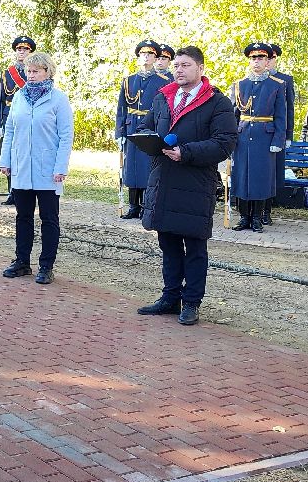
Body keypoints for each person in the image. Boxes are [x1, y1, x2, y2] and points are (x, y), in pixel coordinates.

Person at [138, 46, 238, 326]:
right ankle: (170, 297)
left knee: (194, 247)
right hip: (164, 180)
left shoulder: (216, 102)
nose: (179, 70)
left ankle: (191, 302)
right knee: (167, 242)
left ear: (200, 69)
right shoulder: (163, 97)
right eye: (176, 65)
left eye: (185, 65)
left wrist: (187, 152)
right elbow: (146, 127)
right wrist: (148, 141)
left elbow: (225, 142)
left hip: (195, 183)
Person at [0, 51, 73, 285]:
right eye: (28, 71)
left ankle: (46, 266)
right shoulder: (19, 97)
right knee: (23, 217)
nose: (30, 75)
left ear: (47, 72)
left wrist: (61, 167)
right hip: (22, 166)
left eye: (35, 71)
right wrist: (5, 160)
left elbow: (65, 136)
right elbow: (10, 130)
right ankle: (22, 261)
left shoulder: (58, 99)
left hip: (48, 168)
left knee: (49, 218)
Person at [227, 43, 287, 232]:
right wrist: (229, 138)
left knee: (260, 178)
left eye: (261, 58)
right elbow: (232, 115)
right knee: (242, 177)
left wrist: (278, 140)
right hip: (243, 137)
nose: (257, 61)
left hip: (265, 137)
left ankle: (257, 218)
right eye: (253, 58)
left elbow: (281, 115)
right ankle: (244, 217)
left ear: (268, 61)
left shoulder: (277, 85)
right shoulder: (239, 85)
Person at [116, 39, 167, 219]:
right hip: (131, 127)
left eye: (150, 54)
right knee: (132, 167)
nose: (146, 57)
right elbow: (121, 108)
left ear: (155, 57)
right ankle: (133, 206)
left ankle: (147, 204)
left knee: (147, 167)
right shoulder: (129, 80)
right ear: (138, 56)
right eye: (143, 54)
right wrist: (119, 132)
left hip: (150, 127)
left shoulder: (163, 81)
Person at [0, 36, 34, 205]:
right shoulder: (6, 73)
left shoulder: (34, 72)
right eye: (19, 49)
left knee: (24, 154)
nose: (21, 52)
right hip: (8, 116)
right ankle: (11, 191)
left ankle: (24, 191)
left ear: (30, 52)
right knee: (9, 154)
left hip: (25, 118)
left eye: (25, 49)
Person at [264, 43, 296, 224]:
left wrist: (288, 134)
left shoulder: (285, 80)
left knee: (273, 173)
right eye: (263, 58)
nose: (267, 61)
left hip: (277, 132)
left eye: (271, 58)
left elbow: (288, 109)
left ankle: (267, 210)